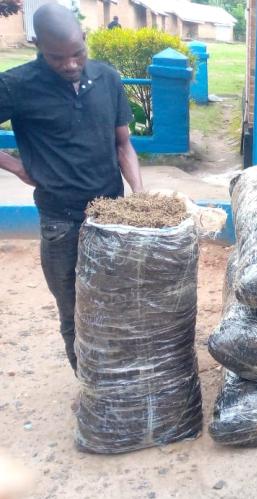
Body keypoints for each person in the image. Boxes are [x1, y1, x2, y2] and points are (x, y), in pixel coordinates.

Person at [0, 3, 143, 373]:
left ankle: (117, 377)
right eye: (56, 57)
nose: (70, 64)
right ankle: (91, 388)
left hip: (112, 217)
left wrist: (139, 196)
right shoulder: (17, 85)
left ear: (85, 38)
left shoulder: (108, 79)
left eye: (77, 53)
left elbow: (123, 144)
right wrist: (16, 167)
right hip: (60, 222)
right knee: (73, 308)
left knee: (116, 302)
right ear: (38, 45)